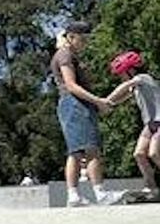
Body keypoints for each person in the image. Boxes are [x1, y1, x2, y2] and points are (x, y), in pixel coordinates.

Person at [50, 21, 124, 206]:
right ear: (71, 37)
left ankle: (74, 196)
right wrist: (98, 101)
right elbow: (71, 85)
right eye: (83, 39)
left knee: (76, 151)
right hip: (75, 104)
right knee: (91, 150)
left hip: (72, 105)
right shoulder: (65, 55)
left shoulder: (67, 54)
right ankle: (100, 194)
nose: (85, 43)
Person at [106, 50, 160, 200]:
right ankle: (152, 188)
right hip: (150, 124)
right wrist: (108, 104)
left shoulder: (143, 78)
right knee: (139, 154)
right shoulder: (135, 86)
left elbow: (126, 86)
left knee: (154, 153)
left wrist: (106, 99)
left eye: (122, 73)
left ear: (130, 70)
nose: (121, 78)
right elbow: (122, 96)